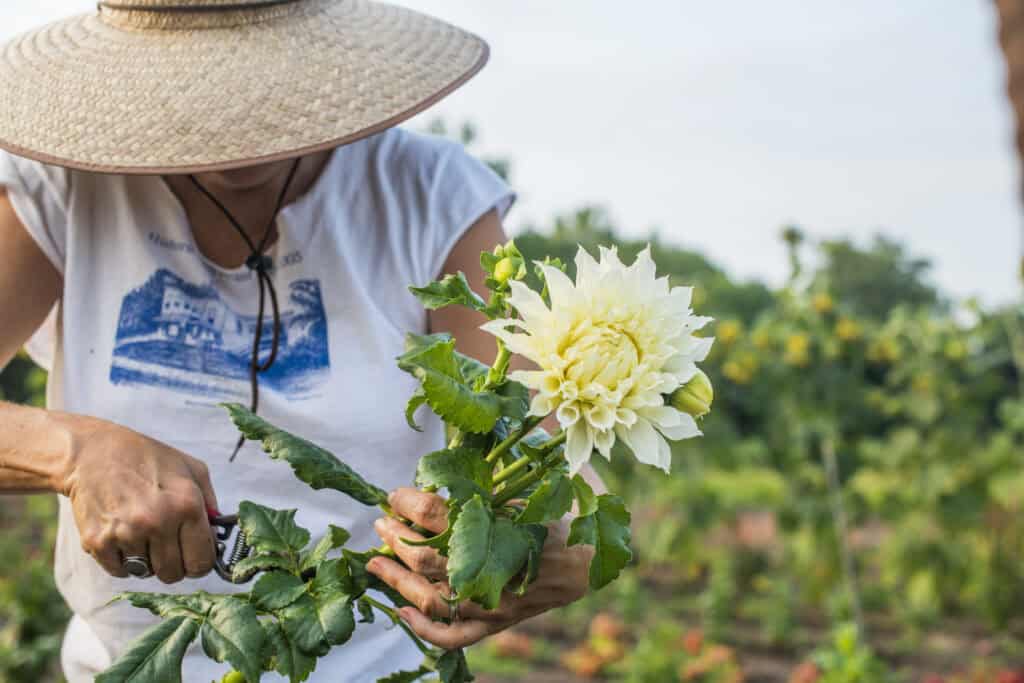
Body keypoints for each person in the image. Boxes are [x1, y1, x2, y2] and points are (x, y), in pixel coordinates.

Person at [0, 1, 598, 680]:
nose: (237, 132)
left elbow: (560, 475)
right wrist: (73, 453)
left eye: (262, 88)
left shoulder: (429, 196)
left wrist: (549, 546)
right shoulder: (64, 188)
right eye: (194, 88)